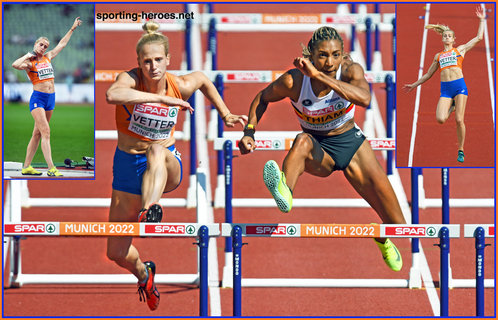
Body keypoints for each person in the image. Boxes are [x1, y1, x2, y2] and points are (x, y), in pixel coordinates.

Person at [239, 26, 406, 272]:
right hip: (318, 148)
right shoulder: (293, 81)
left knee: (398, 225)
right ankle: (284, 190)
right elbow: (262, 97)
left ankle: (381, 238)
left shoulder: (351, 71)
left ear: (342, 55)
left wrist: (319, 76)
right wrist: (249, 132)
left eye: (336, 55)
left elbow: (365, 99)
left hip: (351, 145)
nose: (330, 61)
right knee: (301, 141)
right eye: (323, 55)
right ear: (310, 55)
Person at [105, 21, 246, 311]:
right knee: (116, 253)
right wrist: (159, 98)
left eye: (158, 60)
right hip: (127, 168)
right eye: (147, 61)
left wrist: (226, 113)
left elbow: (204, 80)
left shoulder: (179, 84)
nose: (153, 66)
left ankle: (151, 208)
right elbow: (112, 95)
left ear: (169, 60)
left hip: (166, 165)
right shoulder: (130, 80)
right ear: (138, 63)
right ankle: (145, 273)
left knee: (156, 149)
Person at [403, 6, 486, 163]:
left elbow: (478, 38)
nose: (447, 37)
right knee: (440, 119)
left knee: (459, 120)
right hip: (446, 90)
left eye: (450, 36)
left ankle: (460, 149)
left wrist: (481, 20)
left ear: (454, 39)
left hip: (459, 86)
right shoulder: (438, 56)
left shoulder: (460, 50)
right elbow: (429, 74)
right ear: (442, 39)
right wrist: (414, 85)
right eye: (445, 36)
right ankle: (452, 106)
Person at [12, 17, 82, 176]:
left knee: (36, 134)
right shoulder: (29, 63)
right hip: (38, 100)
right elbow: (15, 65)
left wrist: (72, 28)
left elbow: (62, 44)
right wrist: (28, 54)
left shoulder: (48, 57)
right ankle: (51, 168)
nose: (43, 47)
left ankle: (26, 167)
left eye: (45, 46)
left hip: (51, 99)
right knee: (46, 132)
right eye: (41, 44)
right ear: (35, 44)